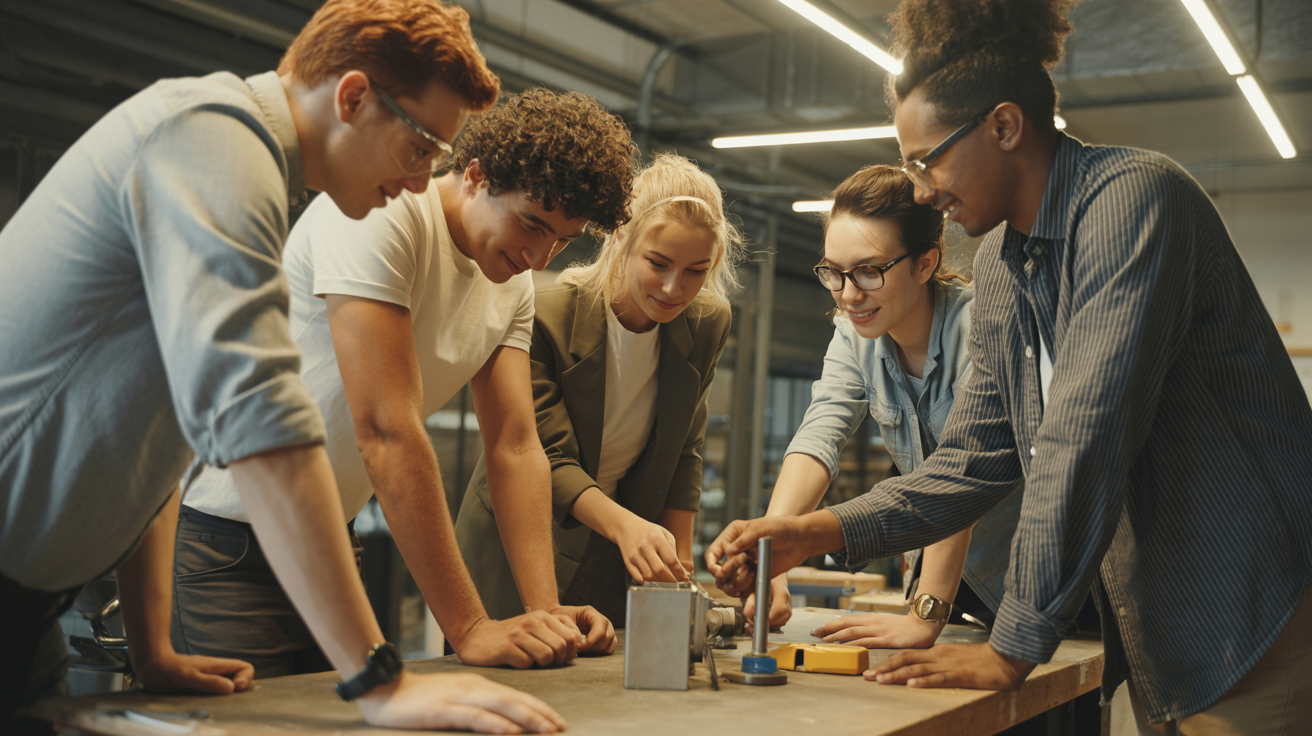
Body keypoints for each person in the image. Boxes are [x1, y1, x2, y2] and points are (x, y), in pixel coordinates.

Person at [705, 0, 1312, 731]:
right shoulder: (999, 263)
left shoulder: (1131, 203)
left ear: (1003, 125)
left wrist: (1011, 649)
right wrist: (813, 532)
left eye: (927, 158)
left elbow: (1083, 435)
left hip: (1252, 608)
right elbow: (970, 460)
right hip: (1159, 614)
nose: (922, 187)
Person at [0, 1, 564, 732]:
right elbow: (259, 419)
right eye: (422, 146)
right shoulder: (210, 138)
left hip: (32, 609)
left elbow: (158, 425)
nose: (425, 180)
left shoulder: (248, 172)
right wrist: (378, 680)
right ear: (354, 97)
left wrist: (153, 649)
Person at [175, 89, 635, 676]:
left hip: (328, 539)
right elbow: (386, 430)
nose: (541, 256)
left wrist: (547, 610)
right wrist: (468, 627)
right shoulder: (383, 215)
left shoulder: (512, 286)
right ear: (475, 174)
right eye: (531, 225)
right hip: (227, 537)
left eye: (563, 240)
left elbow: (516, 447)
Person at [723, 164, 1023, 647]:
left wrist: (925, 616)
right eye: (834, 273)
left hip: (1030, 585)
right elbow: (819, 436)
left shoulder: (982, 330)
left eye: (869, 270)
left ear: (925, 263)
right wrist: (771, 550)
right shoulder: (855, 335)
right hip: (953, 587)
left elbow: (959, 480)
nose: (848, 294)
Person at [456, 154, 743, 624]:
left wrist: (681, 569)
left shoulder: (707, 322)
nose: (675, 288)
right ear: (620, 236)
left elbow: (684, 449)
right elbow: (545, 455)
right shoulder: (546, 315)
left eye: (697, 270)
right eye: (659, 263)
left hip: (624, 548)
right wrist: (629, 528)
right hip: (526, 540)